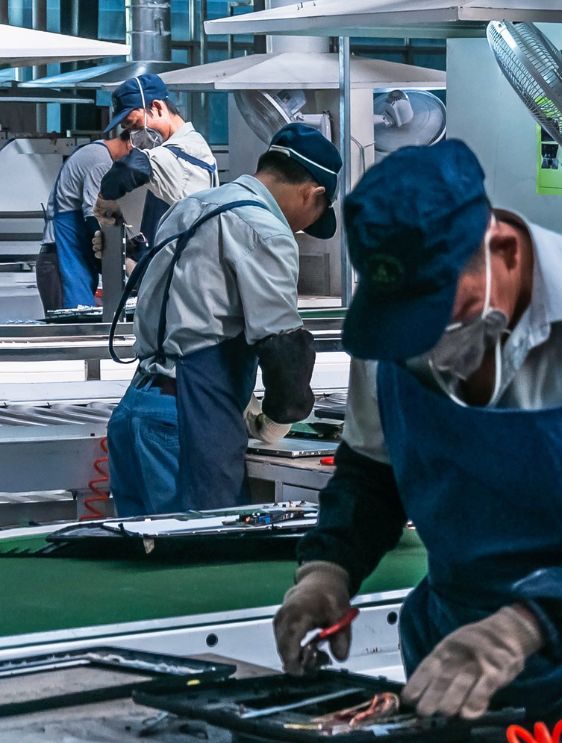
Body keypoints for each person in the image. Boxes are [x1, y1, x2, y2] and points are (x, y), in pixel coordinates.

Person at [273, 140, 562, 726]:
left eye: (439, 315)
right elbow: (370, 479)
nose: (422, 345)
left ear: (500, 248)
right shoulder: (391, 335)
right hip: (447, 668)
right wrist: (327, 570)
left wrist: (519, 629)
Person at [106, 123, 337, 517]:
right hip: (189, 423)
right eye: (312, 218)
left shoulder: (190, 208)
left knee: (142, 565)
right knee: (200, 565)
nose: (302, 230)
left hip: (138, 409)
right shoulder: (264, 229)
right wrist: (278, 419)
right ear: (312, 194)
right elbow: (283, 345)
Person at [92, 74, 218, 265]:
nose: (134, 135)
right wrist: (119, 243)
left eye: (135, 125)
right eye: (128, 130)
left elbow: (129, 167)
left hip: (191, 272)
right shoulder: (164, 156)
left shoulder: (186, 151)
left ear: (157, 107)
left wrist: (104, 200)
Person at [36, 131, 134, 311]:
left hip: (75, 259)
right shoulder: (100, 160)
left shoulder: (98, 153)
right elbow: (93, 215)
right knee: (71, 329)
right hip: (60, 260)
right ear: (132, 144)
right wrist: (121, 257)